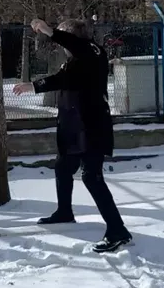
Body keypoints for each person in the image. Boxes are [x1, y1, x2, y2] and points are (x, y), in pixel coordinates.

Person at [13, 18, 132, 253]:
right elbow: (63, 79)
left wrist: (49, 31)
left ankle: (118, 230)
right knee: (63, 167)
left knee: (91, 177)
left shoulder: (92, 51)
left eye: (63, 36)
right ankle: (64, 212)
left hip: (91, 127)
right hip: (75, 127)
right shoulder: (78, 60)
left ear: (74, 37)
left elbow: (75, 47)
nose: (60, 41)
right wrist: (34, 86)